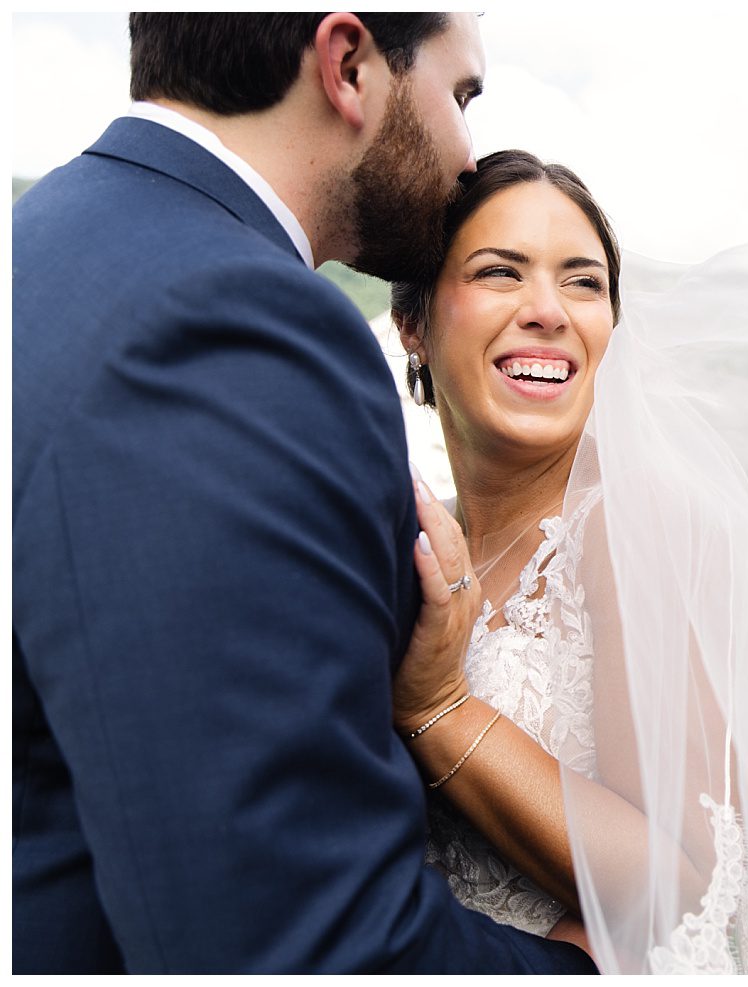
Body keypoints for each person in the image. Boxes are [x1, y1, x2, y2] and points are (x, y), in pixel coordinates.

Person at [13, 13, 594, 973]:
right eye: (461, 95)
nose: (465, 153)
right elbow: (293, 936)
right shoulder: (235, 316)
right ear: (348, 64)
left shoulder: (48, 240)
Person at [386, 150, 748, 973]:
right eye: (501, 272)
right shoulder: (424, 541)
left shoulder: (642, 524)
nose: (548, 310)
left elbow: (681, 890)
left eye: (583, 282)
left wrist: (441, 709)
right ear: (415, 323)